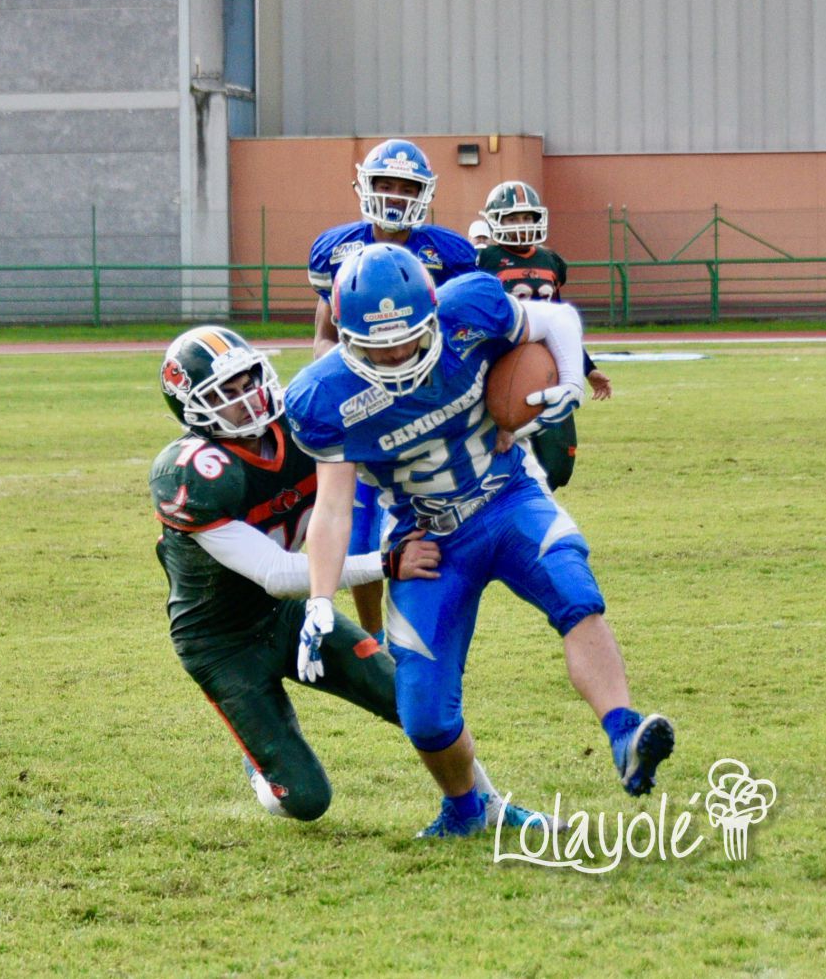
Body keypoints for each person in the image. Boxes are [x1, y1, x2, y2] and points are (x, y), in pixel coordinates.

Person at [283, 243, 674, 837]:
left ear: (431, 312)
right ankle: (468, 810)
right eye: (372, 342)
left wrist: (569, 380)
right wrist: (318, 599)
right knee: (424, 716)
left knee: (574, 589)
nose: (391, 352)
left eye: (405, 336)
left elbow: (558, 320)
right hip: (430, 539)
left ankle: (624, 732)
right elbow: (333, 507)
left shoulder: (470, 308)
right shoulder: (324, 396)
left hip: (506, 498)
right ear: (343, 333)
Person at [150, 325, 541, 826]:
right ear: (192, 408)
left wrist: (492, 422)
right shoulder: (191, 472)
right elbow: (276, 571)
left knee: (408, 697)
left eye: (248, 379)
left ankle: (486, 804)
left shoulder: (300, 424)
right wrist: (386, 563)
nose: (247, 397)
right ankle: (261, 759)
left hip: (288, 615)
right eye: (225, 393)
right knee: (306, 800)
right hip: (221, 642)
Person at [307, 139, 477, 645]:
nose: (396, 196)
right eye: (386, 184)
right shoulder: (336, 250)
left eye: (408, 187)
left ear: (425, 193)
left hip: (427, 411)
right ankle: (374, 636)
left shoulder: (449, 255)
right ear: (365, 185)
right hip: (366, 411)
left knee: (423, 529)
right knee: (359, 537)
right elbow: (324, 333)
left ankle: (421, 632)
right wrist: (333, 382)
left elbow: (466, 334)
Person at [476, 180, 612, 489]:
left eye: (526, 217)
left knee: (558, 466)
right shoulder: (484, 261)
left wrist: (587, 368)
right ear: (495, 220)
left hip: (549, 367)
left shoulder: (550, 261)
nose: (520, 225)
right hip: (505, 365)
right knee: (502, 453)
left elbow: (562, 320)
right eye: (512, 218)